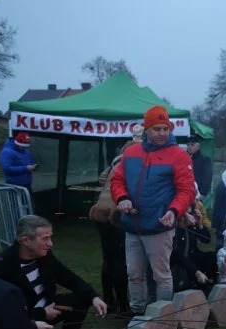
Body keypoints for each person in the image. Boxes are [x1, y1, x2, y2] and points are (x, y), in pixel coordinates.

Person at [110, 105, 196, 316]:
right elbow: (117, 180)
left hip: (159, 226)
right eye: (156, 129)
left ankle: (162, 317)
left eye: (165, 128)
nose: (162, 133)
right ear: (146, 129)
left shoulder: (179, 155)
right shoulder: (130, 153)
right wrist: (122, 198)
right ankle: (137, 314)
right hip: (132, 226)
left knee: (161, 275)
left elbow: (186, 190)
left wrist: (174, 211)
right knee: (134, 274)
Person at [0, 215, 107, 329]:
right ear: (26, 241)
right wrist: (41, 314)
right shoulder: (3, 266)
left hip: (48, 306)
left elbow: (66, 276)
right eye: (45, 239)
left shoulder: (44, 256)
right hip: (26, 320)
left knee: (82, 298)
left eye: (50, 237)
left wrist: (93, 297)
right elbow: (7, 312)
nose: (50, 244)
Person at [89, 136, 139, 314]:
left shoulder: (118, 157)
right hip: (114, 212)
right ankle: (123, 305)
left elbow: (103, 178)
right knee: (120, 260)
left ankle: (109, 299)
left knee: (108, 258)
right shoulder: (135, 158)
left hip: (100, 208)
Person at [170, 203, 216, 293]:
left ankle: (208, 284)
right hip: (178, 263)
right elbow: (177, 254)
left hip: (192, 257)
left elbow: (206, 240)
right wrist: (196, 272)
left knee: (212, 256)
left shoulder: (192, 226)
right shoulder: (174, 229)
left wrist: (200, 224)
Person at [0, 132, 37, 197]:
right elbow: (6, 168)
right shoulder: (7, 152)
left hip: (27, 185)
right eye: (23, 147)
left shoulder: (26, 151)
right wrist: (26, 168)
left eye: (26, 147)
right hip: (15, 186)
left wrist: (33, 166)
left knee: (30, 205)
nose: (25, 148)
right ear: (17, 144)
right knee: (16, 206)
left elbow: (30, 162)